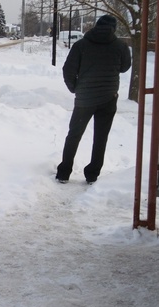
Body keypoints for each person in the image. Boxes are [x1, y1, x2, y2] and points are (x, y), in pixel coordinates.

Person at [56, 14, 131, 184]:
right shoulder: (120, 46)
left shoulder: (81, 45)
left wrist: (75, 88)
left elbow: (68, 69)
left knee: (74, 134)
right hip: (109, 98)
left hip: (84, 99)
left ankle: (64, 172)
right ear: (114, 28)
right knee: (101, 137)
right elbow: (125, 67)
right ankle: (92, 174)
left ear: (96, 26)